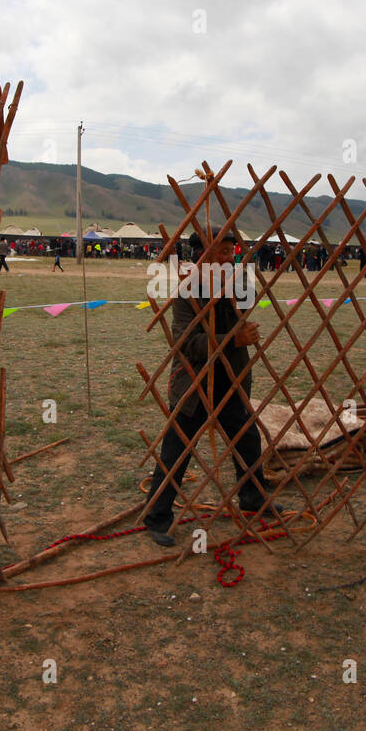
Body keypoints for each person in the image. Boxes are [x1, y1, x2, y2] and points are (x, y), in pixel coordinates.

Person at [142, 226, 277, 546]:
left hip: (230, 379)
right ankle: (157, 515)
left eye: (232, 253)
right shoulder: (186, 293)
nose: (229, 258)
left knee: (247, 438)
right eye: (221, 252)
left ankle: (252, 499)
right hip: (195, 382)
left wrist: (228, 288)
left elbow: (246, 308)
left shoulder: (237, 283)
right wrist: (234, 339)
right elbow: (188, 343)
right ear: (201, 255)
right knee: (177, 449)